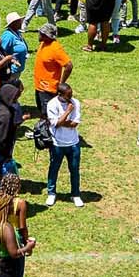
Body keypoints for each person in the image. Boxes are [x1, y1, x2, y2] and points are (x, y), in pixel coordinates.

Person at [45, 79, 84, 207]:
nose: (71, 98)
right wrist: (67, 112)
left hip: (73, 143)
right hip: (57, 144)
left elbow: (74, 124)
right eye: (68, 95)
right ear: (60, 95)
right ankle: (51, 193)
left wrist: (61, 122)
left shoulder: (75, 103)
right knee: (54, 168)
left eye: (71, 94)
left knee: (74, 169)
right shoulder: (52, 104)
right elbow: (55, 123)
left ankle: (75, 194)